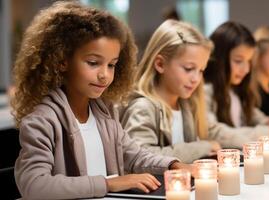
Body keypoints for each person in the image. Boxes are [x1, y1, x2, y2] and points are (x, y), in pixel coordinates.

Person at [12, 2, 185, 199]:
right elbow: (35, 185)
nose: (105, 75)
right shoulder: (42, 120)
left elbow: (135, 155)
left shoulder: (104, 112)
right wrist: (108, 183)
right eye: (93, 63)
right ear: (62, 61)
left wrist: (174, 165)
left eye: (111, 65)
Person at [119, 20, 269, 164]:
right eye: (189, 69)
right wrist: (202, 147)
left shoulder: (186, 104)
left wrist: (259, 139)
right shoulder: (143, 108)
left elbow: (212, 131)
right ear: (160, 64)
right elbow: (140, 156)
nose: (196, 79)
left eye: (201, 70)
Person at [203, 21, 269, 130]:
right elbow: (214, 131)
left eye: (249, 61)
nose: (246, 70)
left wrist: (267, 122)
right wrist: (263, 132)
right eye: (238, 61)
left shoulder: (236, 88)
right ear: (220, 58)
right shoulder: (206, 91)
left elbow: (249, 112)